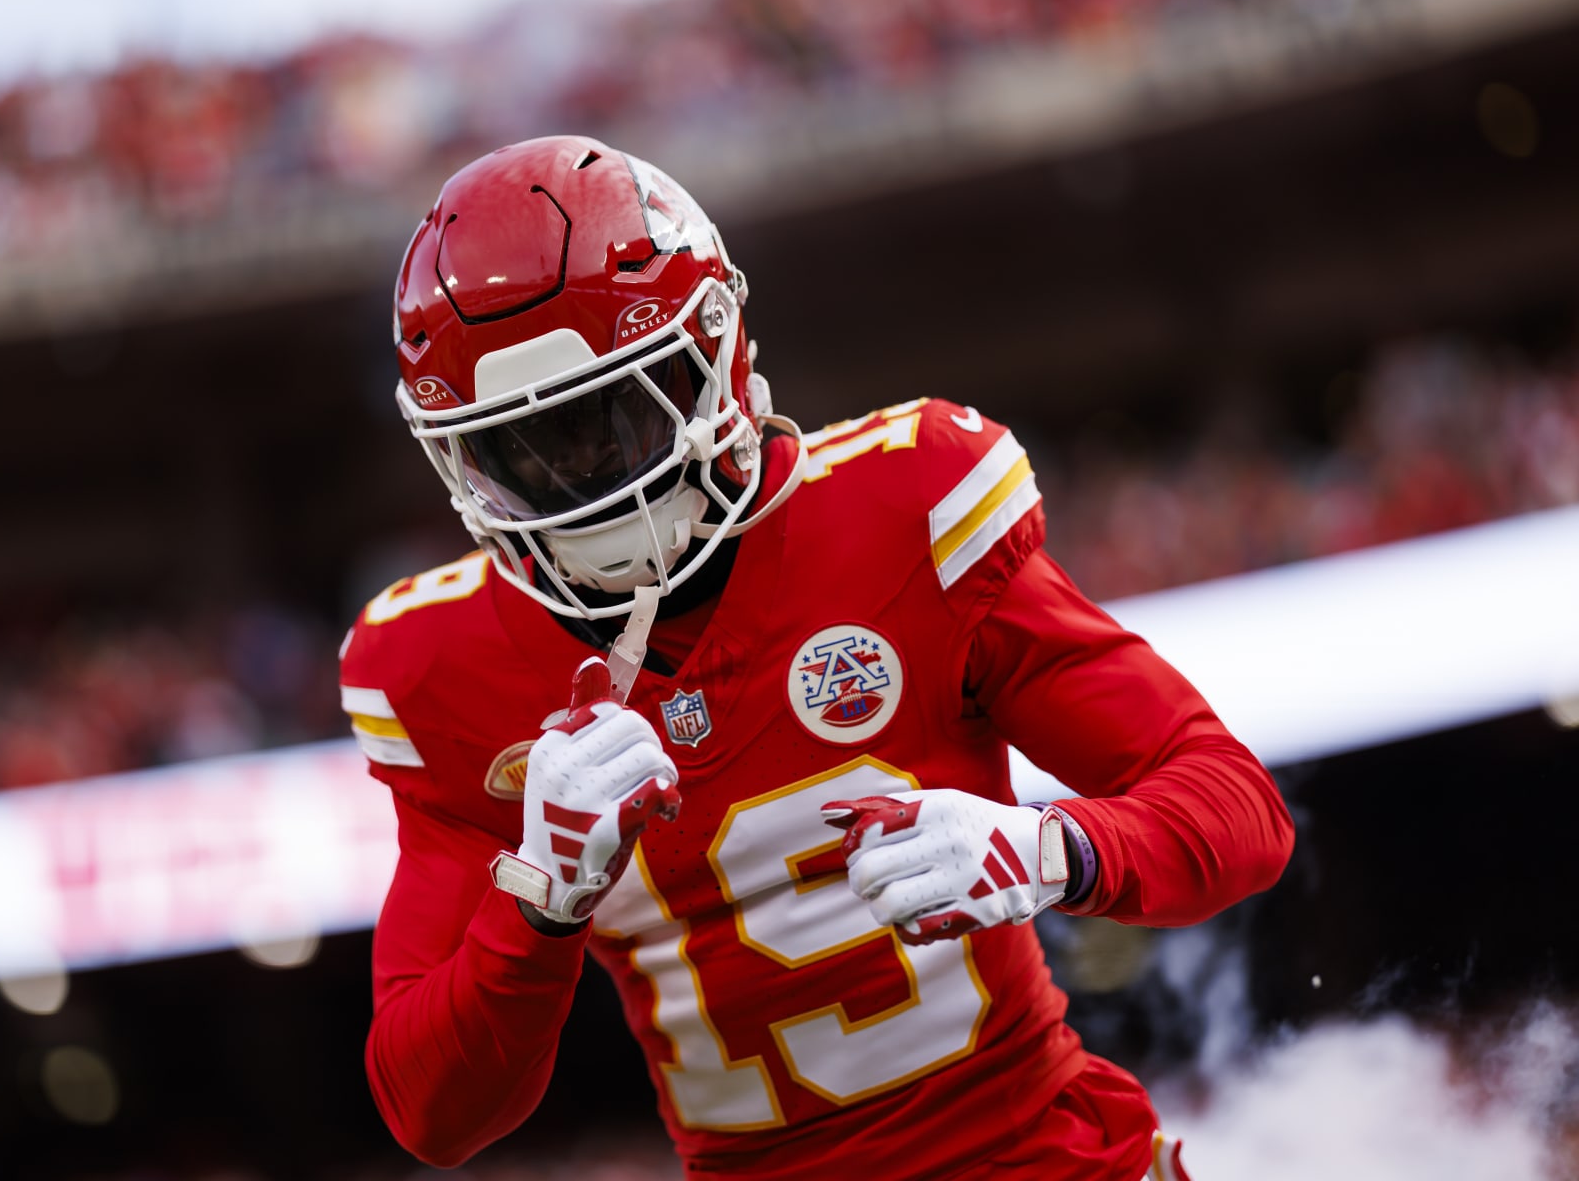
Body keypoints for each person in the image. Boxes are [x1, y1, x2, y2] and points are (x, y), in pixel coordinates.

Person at [340, 135, 1293, 1180]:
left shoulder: (902, 510)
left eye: (613, 417)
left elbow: (1239, 810)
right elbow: (431, 1113)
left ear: (716, 350)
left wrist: (1052, 849)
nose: (581, 481)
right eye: (521, 451)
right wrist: (539, 900)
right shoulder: (435, 664)